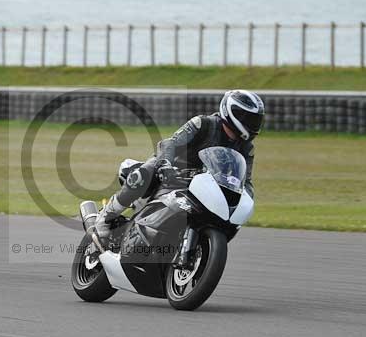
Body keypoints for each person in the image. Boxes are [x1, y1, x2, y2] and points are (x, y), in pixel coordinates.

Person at [93, 89, 264, 240]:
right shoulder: (203, 124)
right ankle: (105, 217)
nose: (252, 124)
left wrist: (246, 197)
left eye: (256, 120)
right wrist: (165, 164)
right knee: (143, 175)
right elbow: (170, 144)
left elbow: (245, 180)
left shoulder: (246, 148)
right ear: (231, 112)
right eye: (248, 118)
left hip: (205, 186)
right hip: (173, 171)